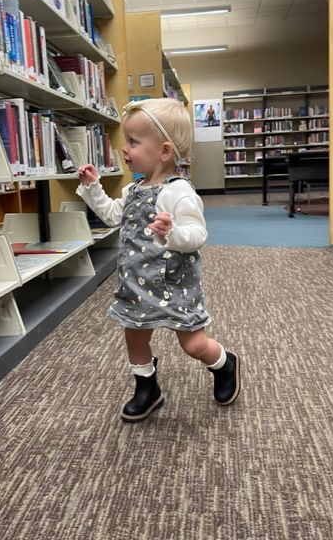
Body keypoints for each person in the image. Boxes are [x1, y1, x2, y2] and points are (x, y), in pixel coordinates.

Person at [77, 98, 240, 423]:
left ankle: (225, 363)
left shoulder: (179, 192)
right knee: (135, 336)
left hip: (174, 285)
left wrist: (172, 232)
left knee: (193, 345)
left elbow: (197, 234)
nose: (125, 149)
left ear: (164, 151)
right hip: (136, 284)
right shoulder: (133, 189)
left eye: (134, 142)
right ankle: (146, 387)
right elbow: (111, 217)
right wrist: (93, 188)